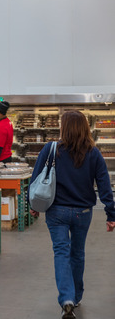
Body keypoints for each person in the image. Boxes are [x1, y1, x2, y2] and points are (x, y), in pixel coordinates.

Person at [29, 111, 115, 319]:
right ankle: (76, 297)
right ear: (85, 127)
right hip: (83, 212)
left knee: (61, 253)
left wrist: (32, 205)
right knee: (77, 253)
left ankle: (66, 298)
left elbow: (35, 179)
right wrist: (111, 213)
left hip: (56, 211)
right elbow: (104, 185)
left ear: (64, 127)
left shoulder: (51, 149)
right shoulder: (93, 153)